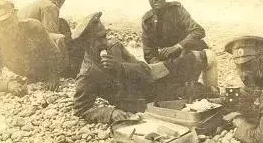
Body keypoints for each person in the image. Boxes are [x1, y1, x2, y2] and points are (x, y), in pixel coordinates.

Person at [73, 12, 214, 124]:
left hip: (153, 81)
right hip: (144, 104)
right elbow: (81, 109)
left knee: (204, 57)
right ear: (87, 43)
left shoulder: (113, 46)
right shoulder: (88, 74)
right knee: (202, 96)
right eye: (99, 39)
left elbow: (144, 69)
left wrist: (120, 67)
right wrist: (111, 113)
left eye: (105, 35)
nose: (105, 42)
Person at [141, 0, 217, 93]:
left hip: (190, 55)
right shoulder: (148, 21)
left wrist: (178, 46)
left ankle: (213, 92)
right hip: (169, 64)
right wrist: (161, 67)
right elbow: (149, 53)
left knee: (210, 57)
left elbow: (198, 31)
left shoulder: (176, 10)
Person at [0, 0, 68, 90]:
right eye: (3, 25)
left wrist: (53, 75)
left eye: (10, 21)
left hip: (62, 60)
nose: (9, 27)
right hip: (32, 77)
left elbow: (53, 53)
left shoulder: (33, 27)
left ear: (16, 16)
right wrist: (7, 86)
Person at [18, 0, 84, 77]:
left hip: (21, 51)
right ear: (58, 0)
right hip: (31, 56)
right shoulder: (50, 6)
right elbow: (52, 37)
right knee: (74, 43)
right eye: (62, 2)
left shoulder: (34, 5)